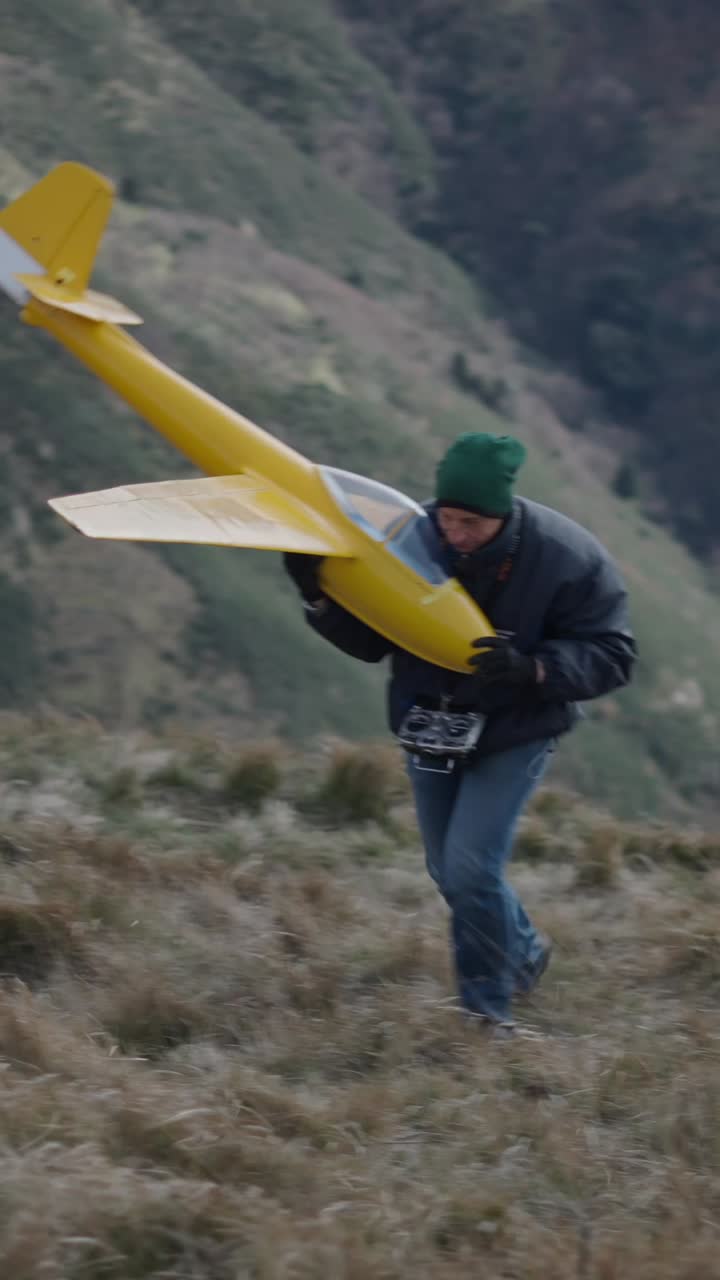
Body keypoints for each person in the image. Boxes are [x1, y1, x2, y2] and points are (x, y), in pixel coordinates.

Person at [284, 432, 636, 1034]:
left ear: (502, 515)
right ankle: (522, 953)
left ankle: (485, 1014)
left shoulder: (568, 556)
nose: (453, 534)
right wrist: (319, 596)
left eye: (469, 523)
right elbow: (372, 642)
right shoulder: (407, 537)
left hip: (516, 729)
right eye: (445, 517)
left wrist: (536, 668)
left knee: (471, 870)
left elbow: (613, 654)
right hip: (431, 725)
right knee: (449, 872)